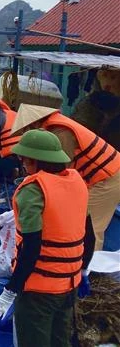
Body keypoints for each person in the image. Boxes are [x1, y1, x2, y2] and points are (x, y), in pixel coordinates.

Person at [0, 129, 95, 346]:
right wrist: (82, 271)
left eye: (24, 159)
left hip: (39, 291)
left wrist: (11, 290)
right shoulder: (77, 182)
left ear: (35, 161)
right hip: (69, 285)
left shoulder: (33, 190)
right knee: (60, 340)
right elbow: (90, 236)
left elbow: (31, 247)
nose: (22, 163)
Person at [11, 103, 120, 250]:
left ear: (34, 123)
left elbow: (62, 169)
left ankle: (89, 268)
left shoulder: (61, 132)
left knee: (91, 226)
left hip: (108, 177)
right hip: (96, 175)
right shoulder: (54, 127)